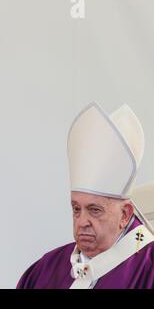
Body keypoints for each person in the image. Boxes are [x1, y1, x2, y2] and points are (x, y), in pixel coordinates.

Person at [17, 102, 154, 289]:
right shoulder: (45, 269)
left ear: (125, 214)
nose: (82, 222)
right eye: (76, 209)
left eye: (94, 210)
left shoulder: (148, 271)